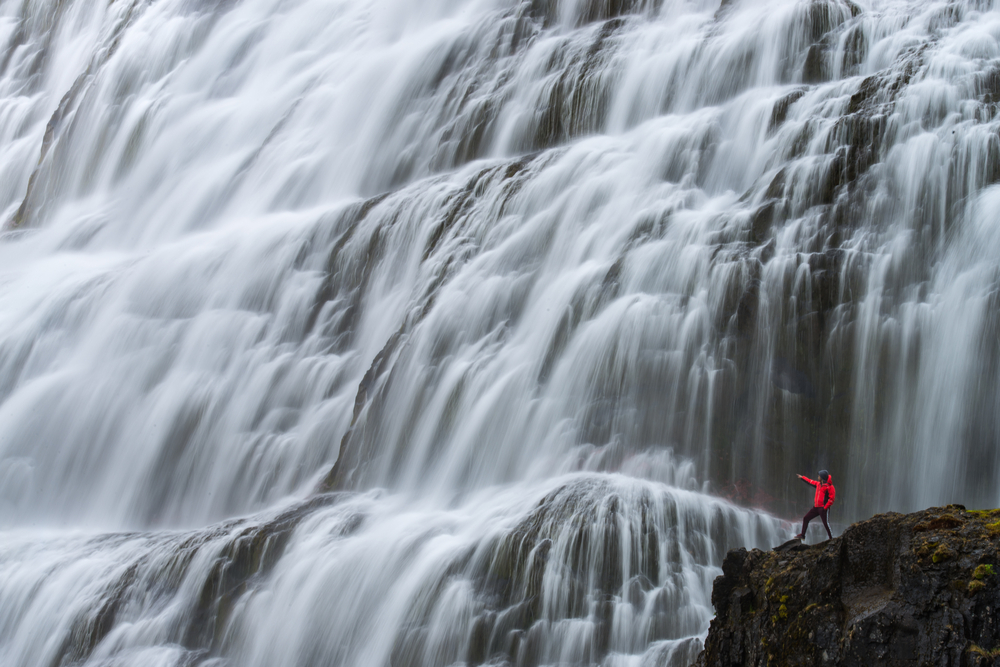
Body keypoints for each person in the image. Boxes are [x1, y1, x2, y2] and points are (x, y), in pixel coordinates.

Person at [794, 470, 835, 540]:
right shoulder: (818, 484)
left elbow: (831, 499)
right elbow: (810, 481)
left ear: (822, 477)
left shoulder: (829, 487)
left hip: (823, 508)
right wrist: (802, 477)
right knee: (806, 518)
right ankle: (802, 535)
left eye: (819, 476)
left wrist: (825, 508)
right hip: (816, 508)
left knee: (826, 523)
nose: (818, 477)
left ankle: (832, 538)